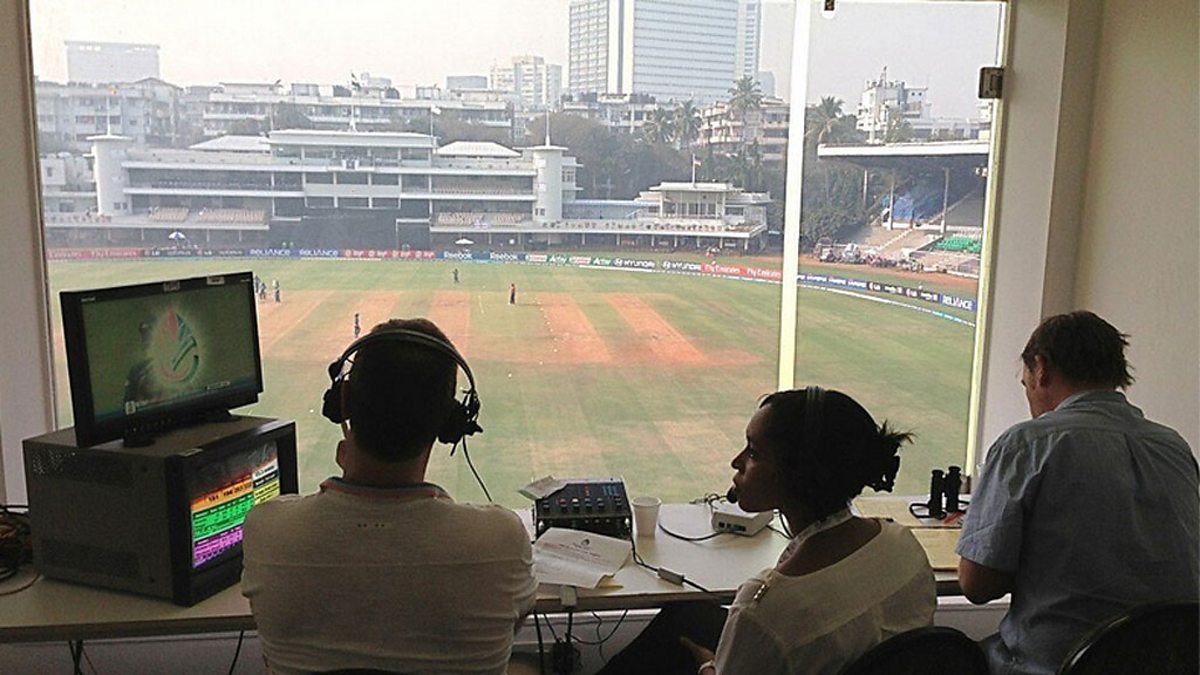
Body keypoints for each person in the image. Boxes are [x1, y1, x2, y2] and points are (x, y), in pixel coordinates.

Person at [241, 318, 536, 675]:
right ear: (450, 423)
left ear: (343, 402)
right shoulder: (502, 538)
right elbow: (511, 624)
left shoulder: (267, 530)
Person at [599, 387, 936, 675]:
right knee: (684, 614)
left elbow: (773, 626)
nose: (737, 461)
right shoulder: (903, 543)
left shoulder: (762, 610)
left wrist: (708, 667)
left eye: (754, 452)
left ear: (800, 477)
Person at [957, 311, 1199, 675]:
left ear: (1040, 368)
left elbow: (976, 585)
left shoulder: (1026, 443)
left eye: (1026, 386)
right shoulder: (1174, 446)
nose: (1030, 401)